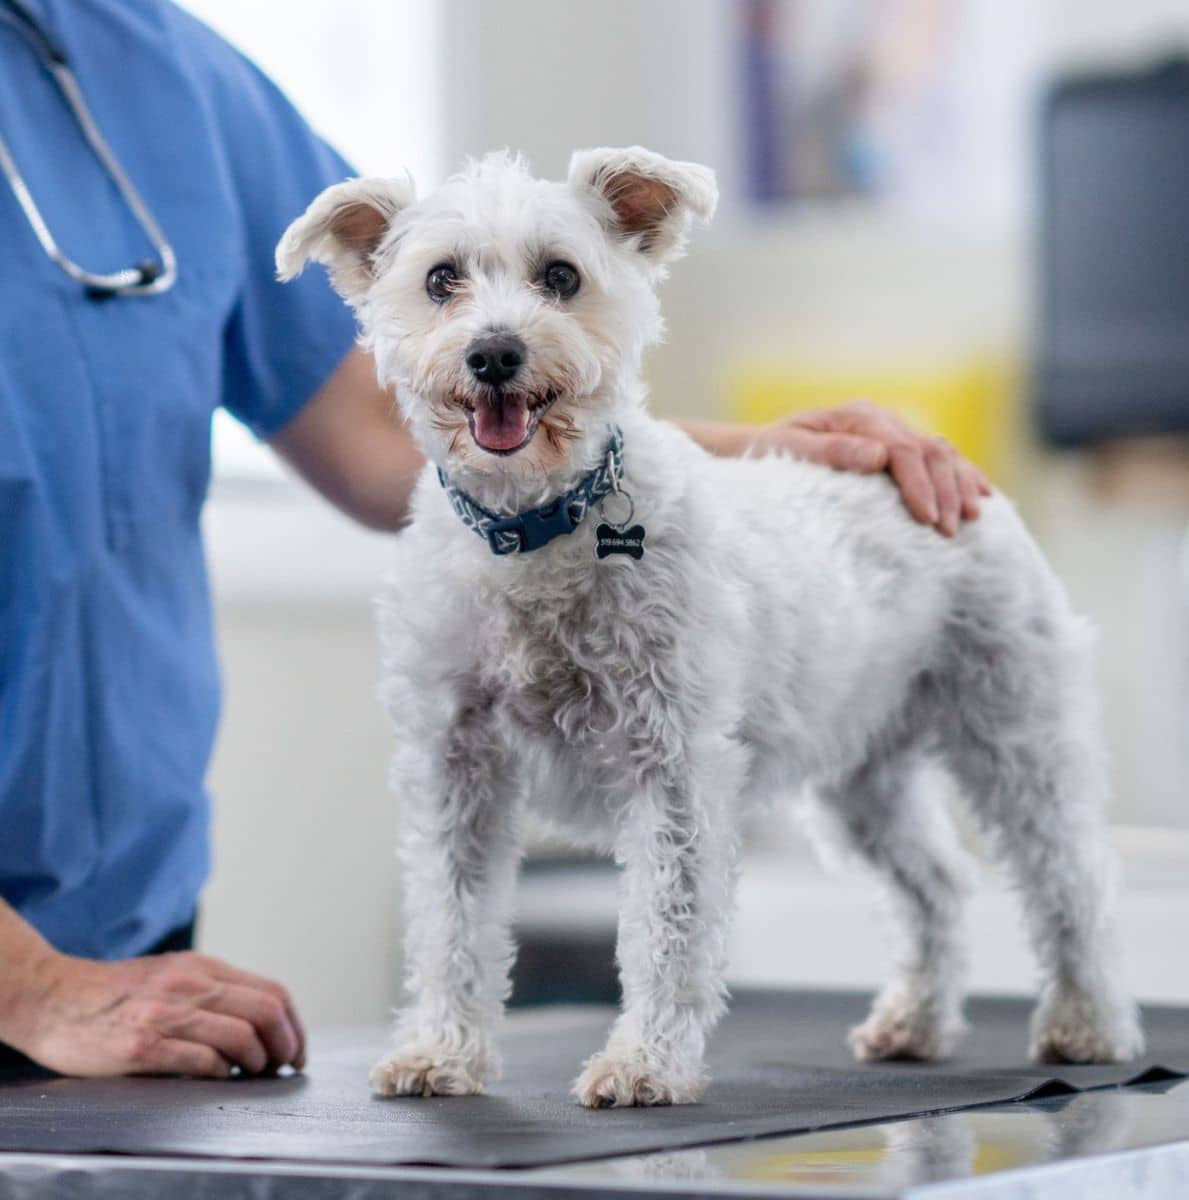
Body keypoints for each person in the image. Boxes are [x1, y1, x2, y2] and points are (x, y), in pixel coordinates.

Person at [0, 0, 989, 1080]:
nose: (499, 320)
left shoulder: (154, 64)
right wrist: (32, 985)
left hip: (131, 943)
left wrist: (770, 450)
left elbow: (404, 432)